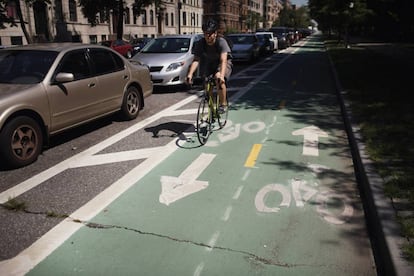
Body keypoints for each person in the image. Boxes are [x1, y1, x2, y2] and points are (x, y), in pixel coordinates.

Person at [187, 18, 232, 113]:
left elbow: (223, 60)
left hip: (222, 63)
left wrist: (222, 76)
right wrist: (190, 74)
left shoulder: (221, 42)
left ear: (215, 33)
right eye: (205, 33)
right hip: (209, 63)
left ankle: (223, 104)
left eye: (210, 33)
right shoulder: (200, 43)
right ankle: (211, 107)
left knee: (218, 78)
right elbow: (196, 60)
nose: (207, 36)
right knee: (207, 83)